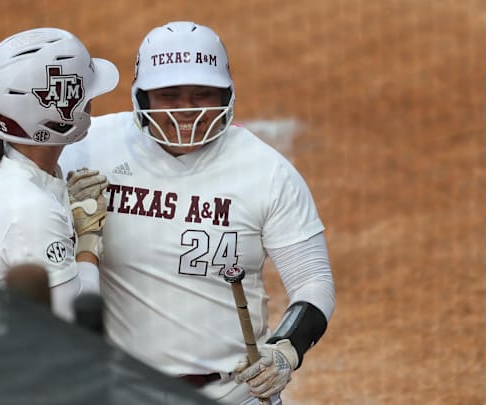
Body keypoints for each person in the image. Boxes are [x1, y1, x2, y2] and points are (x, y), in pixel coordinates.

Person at [57, 21, 336, 405]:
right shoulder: (85, 149)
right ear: (142, 97)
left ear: (226, 95)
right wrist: (53, 208)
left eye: (202, 94)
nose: (185, 110)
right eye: (169, 95)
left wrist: (285, 350)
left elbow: (313, 280)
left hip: (233, 395)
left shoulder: (267, 172)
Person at [0, 27, 118, 405]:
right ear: (60, 112)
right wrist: (87, 242)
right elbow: (74, 330)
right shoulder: (31, 211)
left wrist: (62, 206)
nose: (91, 102)